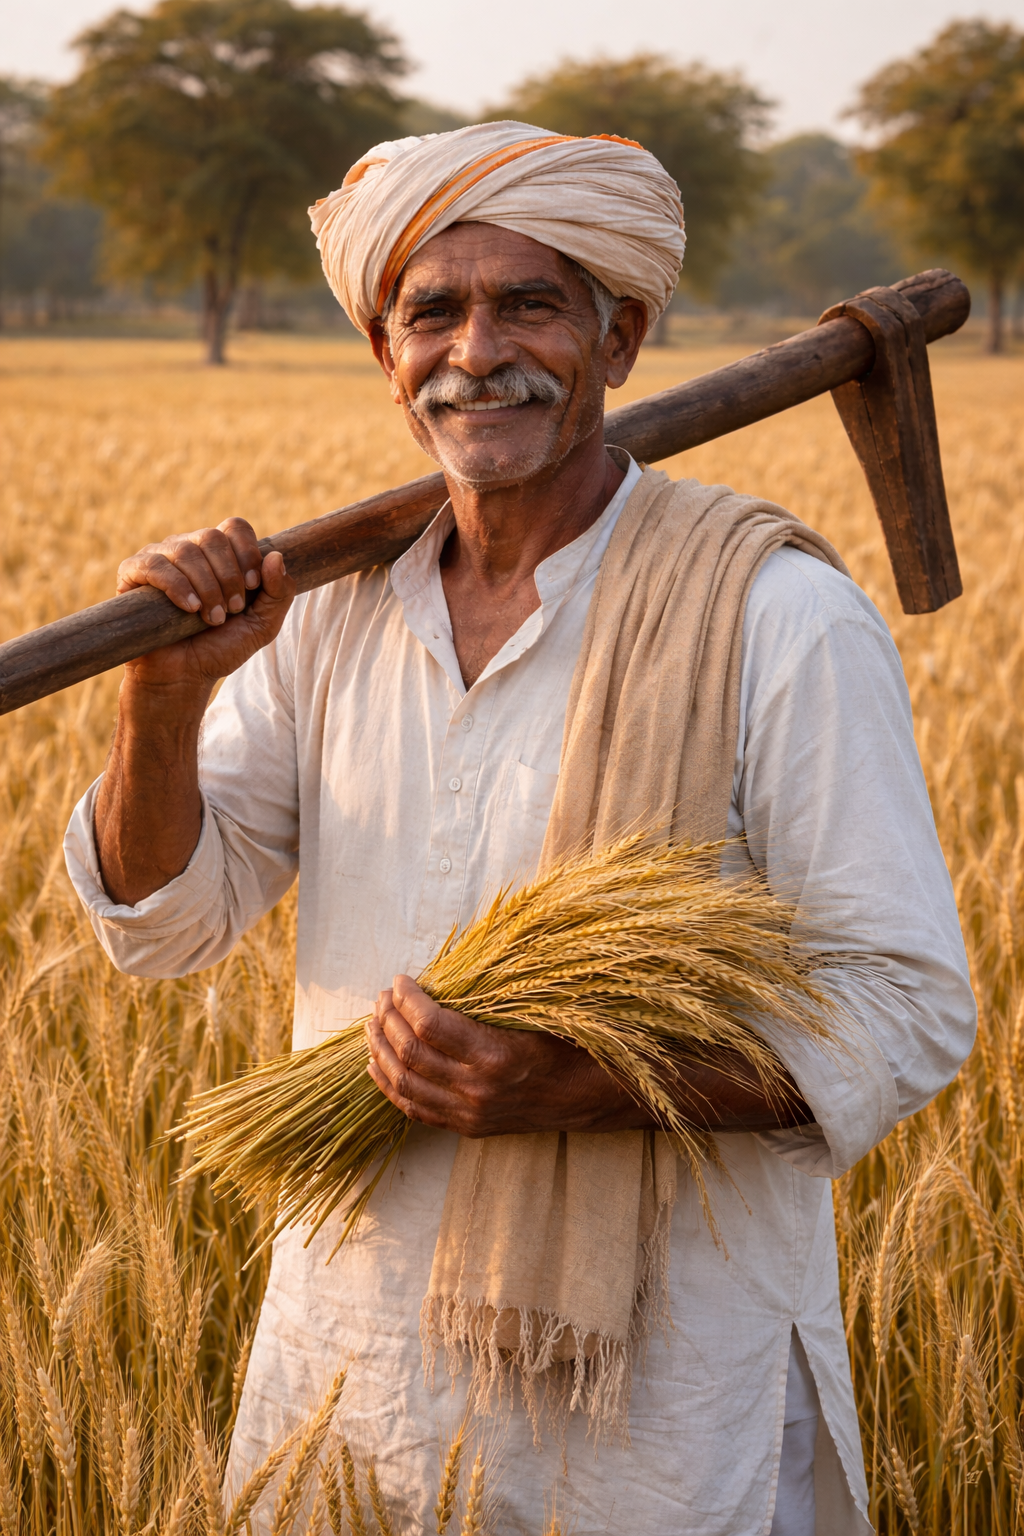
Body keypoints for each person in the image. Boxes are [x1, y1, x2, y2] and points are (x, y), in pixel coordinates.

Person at [65, 122, 976, 1536]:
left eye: (530, 304)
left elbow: (908, 1009)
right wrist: (164, 700)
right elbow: (162, 926)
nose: (476, 350)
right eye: (433, 310)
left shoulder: (776, 619)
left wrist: (583, 1083)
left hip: (661, 1401)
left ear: (620, 337)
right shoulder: (332, 621)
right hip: (350, 1366)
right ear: (387, 355)